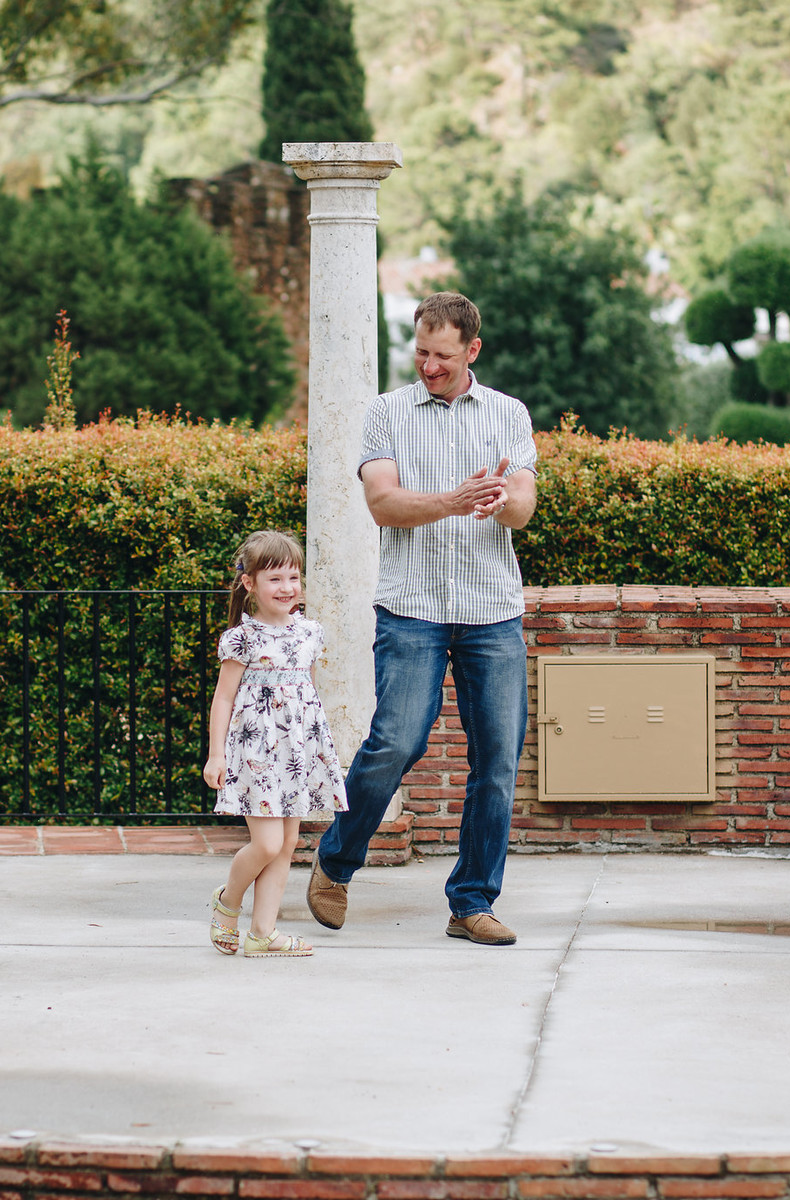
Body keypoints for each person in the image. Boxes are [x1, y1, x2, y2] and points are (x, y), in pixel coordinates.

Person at [308, 291, 537, 946]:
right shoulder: (386, 414)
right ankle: (336, 861)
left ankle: (472, 902)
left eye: (442, 355)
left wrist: (500, 503)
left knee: (497, 759)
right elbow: (383, 504)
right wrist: (452, 500)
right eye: (421, 353)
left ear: (472, 350)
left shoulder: (507, 413)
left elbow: (524, 503)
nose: (429, 366)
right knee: (397, 742)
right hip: (411, 608)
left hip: (492, 611)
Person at [203, 529, 348, 958]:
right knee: (265, 844)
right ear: (249, 583)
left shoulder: (309, 633)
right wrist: (216, 755)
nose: (287, 588)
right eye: (275, 579)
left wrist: (315, 750)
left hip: (295, 752)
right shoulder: (242, 638)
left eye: (293, 578)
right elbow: (224, 698)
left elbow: (308, 693)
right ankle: (228, 901)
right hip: (256, 752)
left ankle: (263, 932)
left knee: (286, 844)